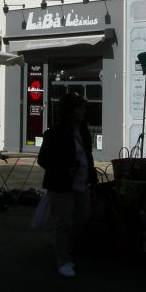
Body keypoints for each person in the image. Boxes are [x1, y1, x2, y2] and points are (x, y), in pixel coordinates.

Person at [36, 92, 97, 277]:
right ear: (71, 111)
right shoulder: (55, 133)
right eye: (80, 108)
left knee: (81, 217)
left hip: (81, 182)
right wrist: (64, 168)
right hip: (61, 184)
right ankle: (63, 260)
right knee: (63, 222)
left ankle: (66, 248)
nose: (84, 111)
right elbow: (43, 159)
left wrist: (91, 177)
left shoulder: (84, 130)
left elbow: (87, 155)